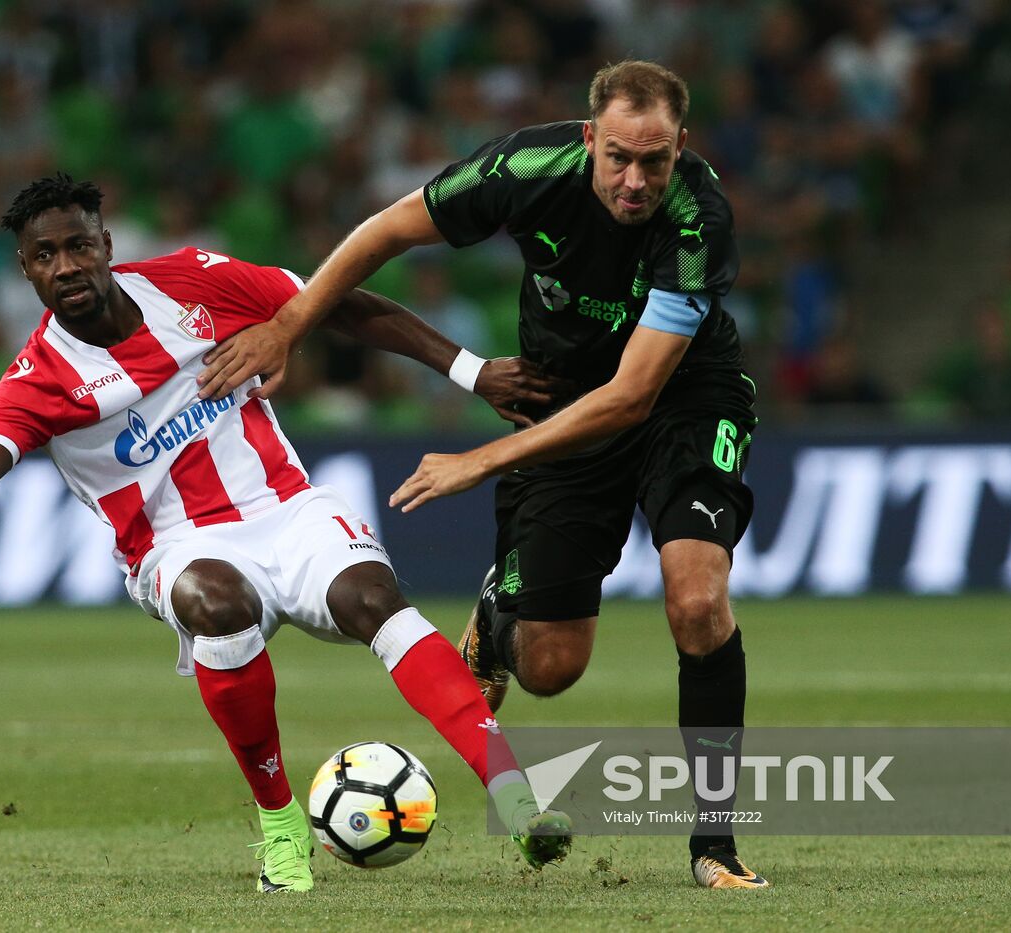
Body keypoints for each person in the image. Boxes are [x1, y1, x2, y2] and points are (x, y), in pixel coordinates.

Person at [0, 174, 572, 894]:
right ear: (24, 271)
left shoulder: (191, 279)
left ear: (106, 243)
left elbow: (331, 302)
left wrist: (470, 371)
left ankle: (512, 792)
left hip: (286, 505)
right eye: (44, 256)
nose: (66, 266)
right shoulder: (39, 378)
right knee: (218, 603)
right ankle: (281, 827)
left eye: (78, 246)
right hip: (176, 546)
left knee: (373, 596)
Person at [199, 60, 767, 890]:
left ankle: (713, 843)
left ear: (681, 147)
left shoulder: (699, 219)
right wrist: (289, 324)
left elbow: (632, 394)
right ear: (588, 139)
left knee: (696, 599)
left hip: (685, 403)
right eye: (619, 157)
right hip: (564, 400)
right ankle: (502, 611)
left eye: (655, 160)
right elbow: (383, 233)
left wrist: (480, 458)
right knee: (549, 667)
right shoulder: (524, 169)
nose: (636, 180)